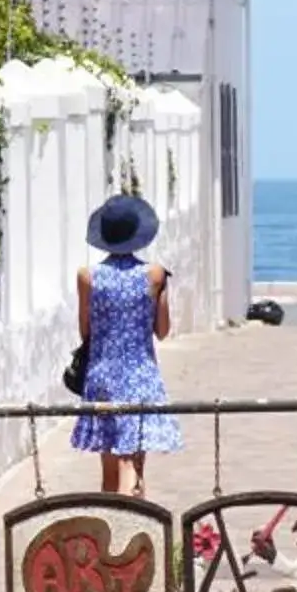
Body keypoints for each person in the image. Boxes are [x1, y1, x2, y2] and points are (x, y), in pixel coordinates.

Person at [71, 194, 182, 494]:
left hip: (103, 376)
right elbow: (162, 330)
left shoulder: (87, 277)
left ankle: (109, 534)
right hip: (140, 375)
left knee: (109, 470)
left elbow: (86, 332)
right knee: (133, 464)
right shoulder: (154, 274)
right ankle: (135, 534)